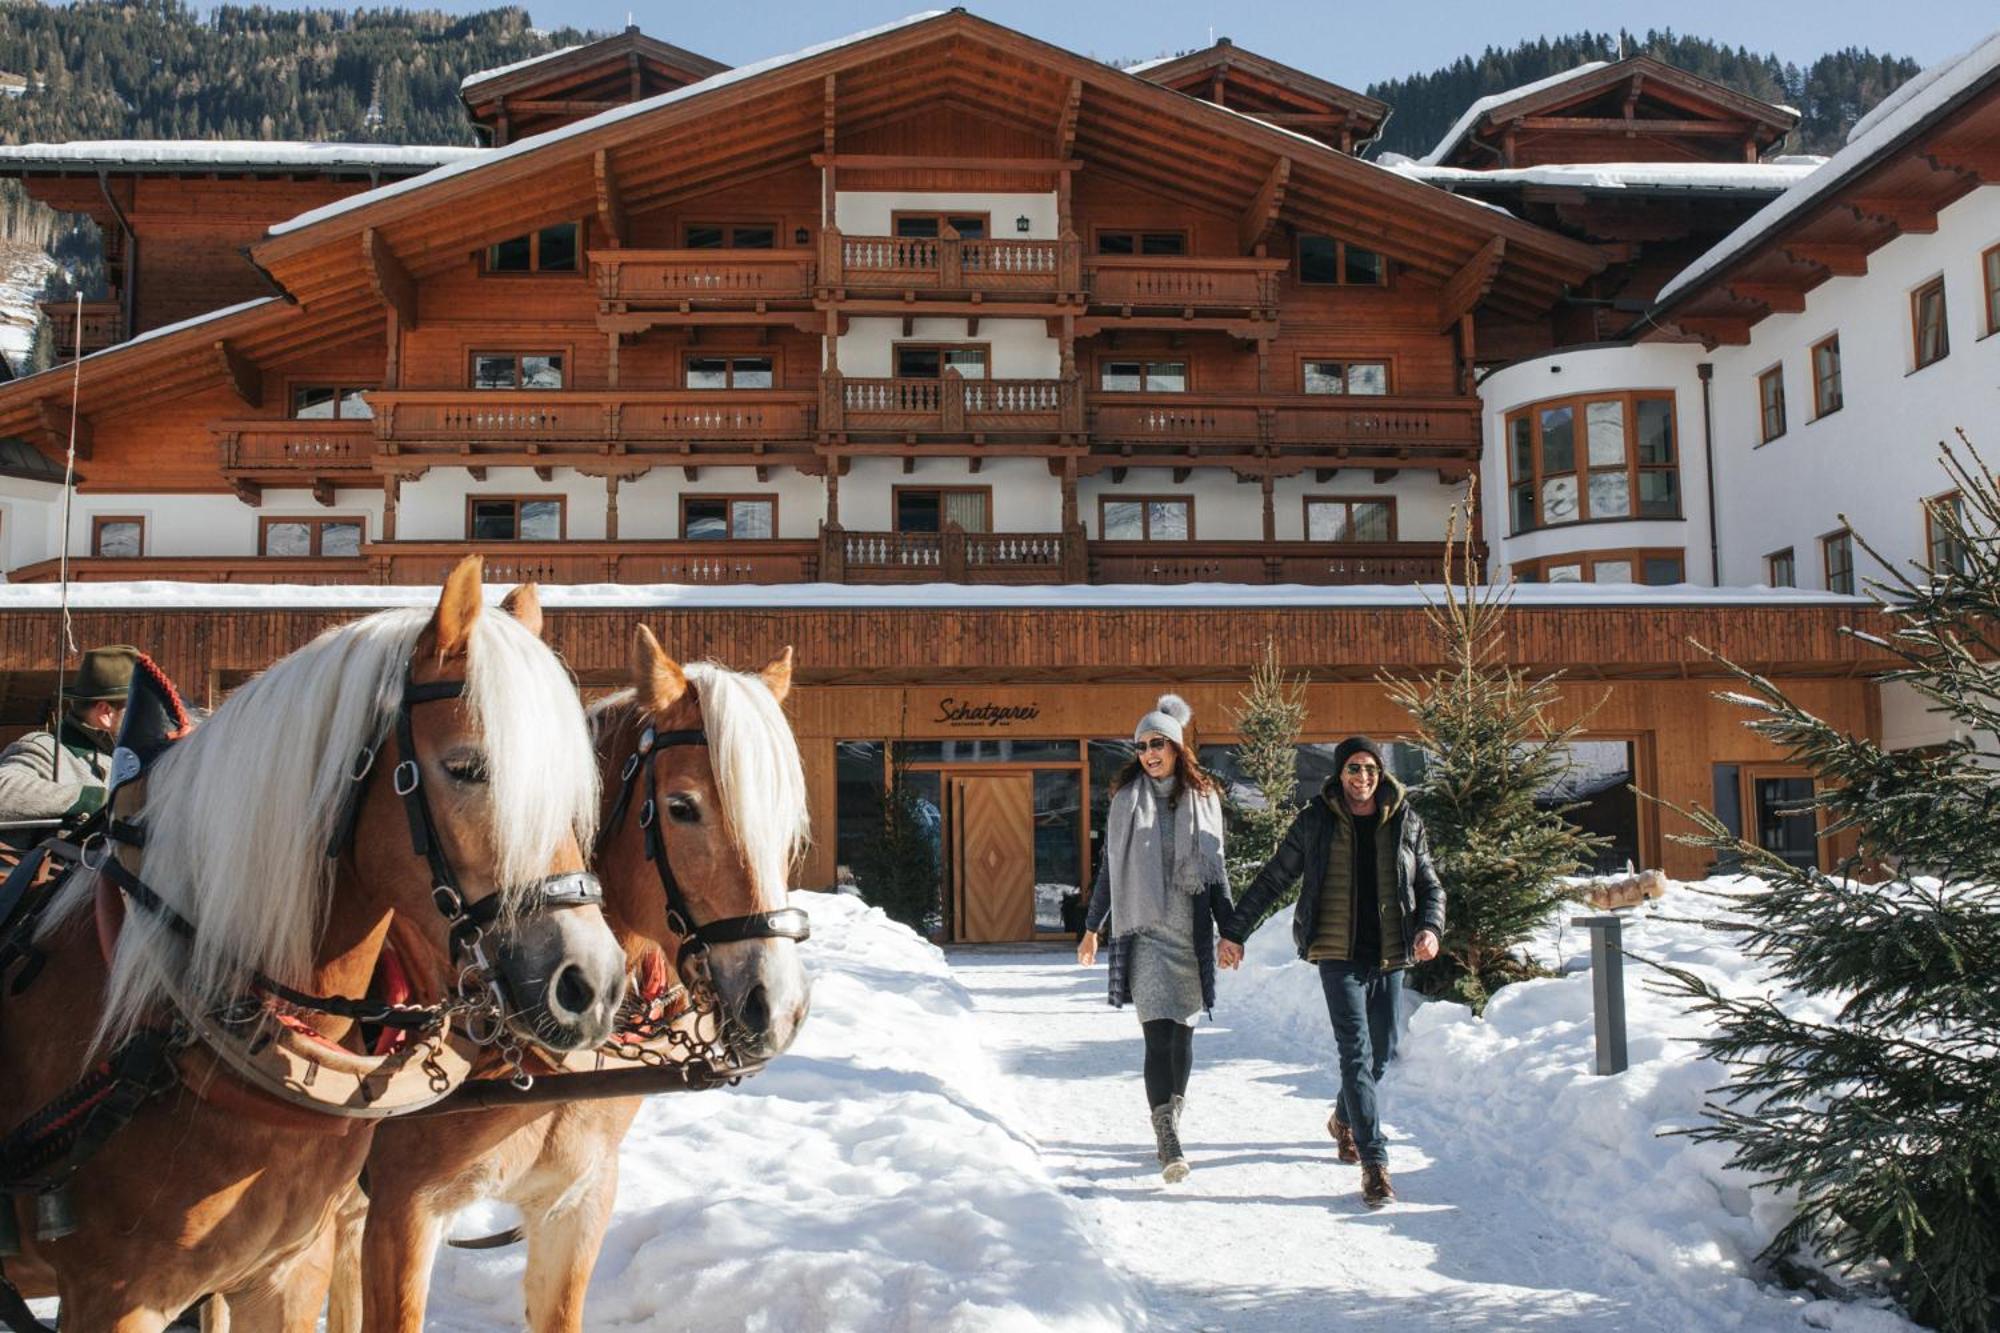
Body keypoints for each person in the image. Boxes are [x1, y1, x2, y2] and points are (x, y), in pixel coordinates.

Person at [1218, 735, 1444, 1208]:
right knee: (1356, 1054)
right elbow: (1274, 877)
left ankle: (1344, 1119)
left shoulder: (1405, 819)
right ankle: (1374, 1162)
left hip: (1390, 953)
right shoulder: (1317, 821)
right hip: (1337, 952)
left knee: (1382, 1053)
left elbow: (1429, 884)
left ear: (1379, 774)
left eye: (1370, 769)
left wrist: (1430, 928)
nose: (1362, 778)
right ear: (1339, 774)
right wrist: (1235, 931)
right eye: (1353, 769)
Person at [1077, 693, 1233, 1184]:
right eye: (1141, 746)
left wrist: (1231, 931)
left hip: (1190, 936)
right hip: (1142, 933)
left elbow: (1216, 871)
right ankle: (1167, 1137)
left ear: (1176, 747)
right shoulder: (1125, 801)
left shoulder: (1204, 800)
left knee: (1182, 1039)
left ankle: (1170, 1119)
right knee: (1157, 1037)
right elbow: (1109, 871)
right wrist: (1091, 928)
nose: (1148, 753)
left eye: (1157, 743)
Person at [0, 645, 139, 847]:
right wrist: (94, 799)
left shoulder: (121, 758)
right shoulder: (45, 749)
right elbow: (4, 789)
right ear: (106, 712)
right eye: (137, 710)